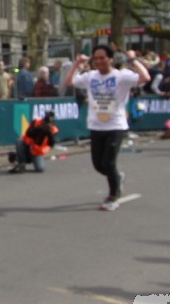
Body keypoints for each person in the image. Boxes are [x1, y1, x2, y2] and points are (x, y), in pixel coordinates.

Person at [63, 46, 150, 211]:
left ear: (110, 59)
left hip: (115, 125)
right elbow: (68, 82)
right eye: (96, 58)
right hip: (96, 125)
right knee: (98, 165)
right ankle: (117, 177)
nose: (99, 61)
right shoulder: (90, 77)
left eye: (102, 58)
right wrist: (76, 64)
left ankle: (113, 196)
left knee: (108, 163)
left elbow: (145, 77)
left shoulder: (121, 76)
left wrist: (133, 59)